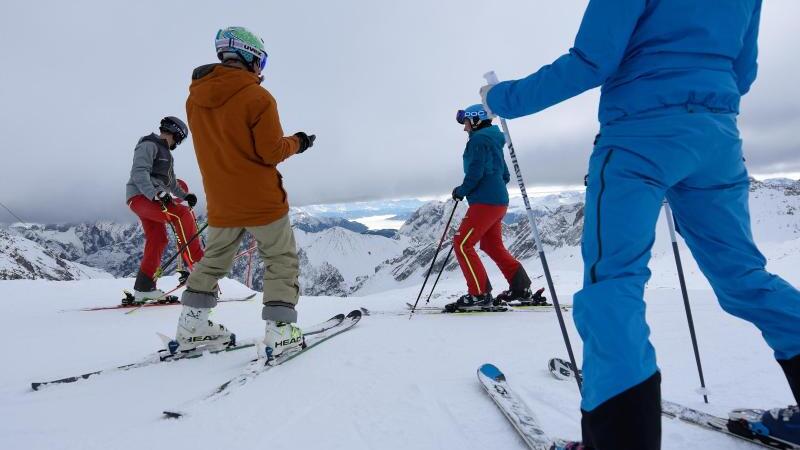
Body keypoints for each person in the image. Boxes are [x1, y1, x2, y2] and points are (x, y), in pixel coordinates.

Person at [480, 1, 800, 449]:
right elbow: (743, 72)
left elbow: (593, 59)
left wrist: (501, 99)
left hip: (638, 137)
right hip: (716, 138)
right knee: (745, 277)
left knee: (614, 285)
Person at [171, 26, 315, 360]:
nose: (261, 70)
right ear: (249, 57)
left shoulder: (195, 99)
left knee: (213, 261)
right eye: (260, 62)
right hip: (261, 199)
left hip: (221, 199)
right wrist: (299, 142)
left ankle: (193, 325)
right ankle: (281, 330)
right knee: (280, 260)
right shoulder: (258, 98)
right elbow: (271, 151)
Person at [445, 104, 538, 313]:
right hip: (498, 202)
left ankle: (478, 294)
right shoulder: (494, 141)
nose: (464, 128)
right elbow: (504, 174)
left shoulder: (478, 141)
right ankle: (521, 288)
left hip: (484, 203)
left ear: (476, 120)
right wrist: (492, 187)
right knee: (491, 246)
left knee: (462, 244)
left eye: (466, 122)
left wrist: (462, 190)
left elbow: (475, 172)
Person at [125, 117, 203, 304]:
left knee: (158, 239)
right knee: (181, 214)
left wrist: (185, 196)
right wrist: (155, 194)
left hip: (151, 198)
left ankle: (144, 288)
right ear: (176, 132)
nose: (179, 142)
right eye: (180, 138)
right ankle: (199, 267)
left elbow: (171, 183)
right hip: (141, 197)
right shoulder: (148, 145)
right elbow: (139, 173)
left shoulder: (166, 153)